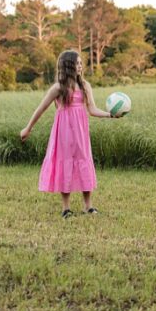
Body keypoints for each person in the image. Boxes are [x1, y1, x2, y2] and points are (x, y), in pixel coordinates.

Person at [20, 49, 123, 218]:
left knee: (84, 161)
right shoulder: (58, 88)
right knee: (65, 162)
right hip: (64, 131)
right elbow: (41, 108)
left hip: (81, 131)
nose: (81, 66)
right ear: (68, 66)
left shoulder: (85, 86)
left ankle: (88, 205)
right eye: (78, 63)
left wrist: (110, 115)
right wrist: (28, 128)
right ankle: (66, 208)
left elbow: (92, 109)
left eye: (82, 63)